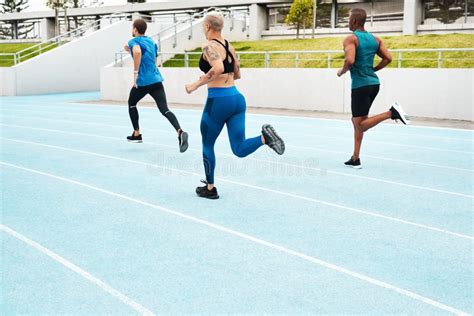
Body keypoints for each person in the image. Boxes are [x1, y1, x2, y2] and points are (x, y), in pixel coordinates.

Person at [185, 13, 285, 199]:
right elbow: (237, 73)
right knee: (238, 148)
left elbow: (219, 68)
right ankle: (265, 138)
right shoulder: (229, 46)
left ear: (207, 26)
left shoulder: (209, 45)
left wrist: (196, 84)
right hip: (237, 98)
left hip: (218, 101)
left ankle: (210, 187)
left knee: (207, 144)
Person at [337, 8, 410, 169]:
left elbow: (349, 61)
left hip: (360, 86)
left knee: (361, 125)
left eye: (349, 19)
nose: (348, 22)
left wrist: (341, 72)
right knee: (357, 121)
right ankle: (355, 158)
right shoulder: (374, 39)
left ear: (354, 21)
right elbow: (388, 58)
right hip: (373, 84)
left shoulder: (351, 39)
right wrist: (374, 70)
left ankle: (392, 113)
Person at [124, 19, 188, 152]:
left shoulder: (134, 41)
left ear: (135, 29)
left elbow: (137, 52)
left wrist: (135, 73)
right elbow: (148, 57)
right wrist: (128, 49)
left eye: (132, 28)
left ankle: (137, 133)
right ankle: (179, 131)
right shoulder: (151, 42)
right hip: (156, 80)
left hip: (142, 82)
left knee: (131, 103)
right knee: (165, 109)